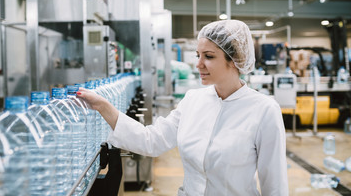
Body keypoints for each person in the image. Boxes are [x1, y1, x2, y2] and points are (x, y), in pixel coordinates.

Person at [76, 19, 289, 196]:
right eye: (198, 55)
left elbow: (275, 186)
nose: (198, 64)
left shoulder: (263, 110)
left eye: (209, 56)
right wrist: (103, 106)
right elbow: (152, 141)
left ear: (235, 60)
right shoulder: (193, 100)